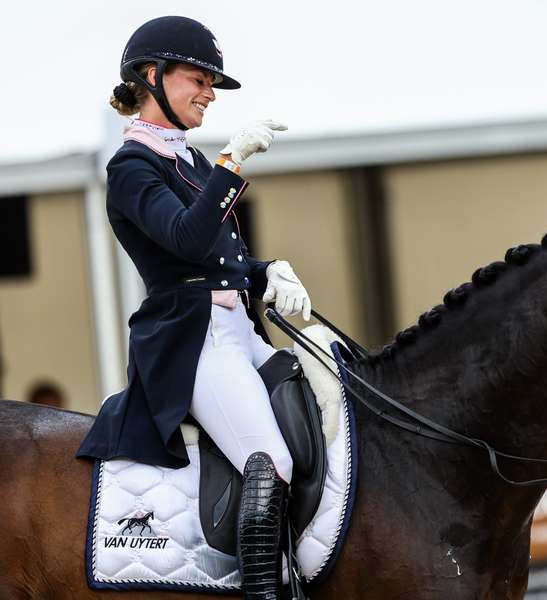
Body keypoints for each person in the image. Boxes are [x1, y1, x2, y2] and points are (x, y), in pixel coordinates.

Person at [75, 16, 309, 599]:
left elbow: (221, 263)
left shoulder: (190, 162)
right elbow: (185, 239)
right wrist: (232, 162)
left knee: (324, 418)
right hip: (193, 342)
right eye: (198, 79)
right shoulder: (131, 167)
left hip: (238, 329)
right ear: (152, 77)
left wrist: (268, 271)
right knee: (271, 463)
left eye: (211, 82)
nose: (209, 93)